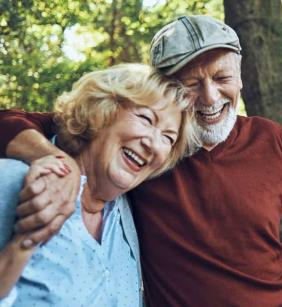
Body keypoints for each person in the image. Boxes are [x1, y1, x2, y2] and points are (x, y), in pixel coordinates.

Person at [0, 16, 282, 306]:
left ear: (240, 74)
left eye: (222, 77)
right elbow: (33, 121)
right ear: (165, 93)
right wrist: (50, 162)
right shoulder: (142, 151)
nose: (209, 96)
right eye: (189, 83)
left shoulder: (271, 142)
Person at [0, 63, 195, 306]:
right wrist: (23, 243)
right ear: (101, 111)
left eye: (168, 138)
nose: (154, 145)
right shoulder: (14, 181)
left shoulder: (130, 213)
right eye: (145, 118)